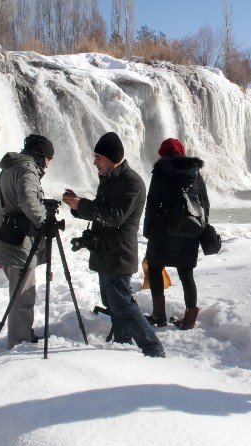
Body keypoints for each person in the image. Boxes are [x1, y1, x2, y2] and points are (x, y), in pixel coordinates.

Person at [62, 132, 165, 358]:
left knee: (123, 304)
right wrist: (77, 206)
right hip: (106, 252)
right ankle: (122, 342)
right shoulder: (111, 179)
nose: (94, 161)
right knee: (113, 302)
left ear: (112, 158)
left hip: (118, 254)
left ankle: (152, 347)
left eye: (98, 157)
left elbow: (114, 217)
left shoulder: (131, 182)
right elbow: (100, 212)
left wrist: (83, 205)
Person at [0, 134, 54, 349]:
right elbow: (28, 199)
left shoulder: (10, 168)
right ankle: (19, 342)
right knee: (23, 296)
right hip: (19, 243)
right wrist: (44, 220)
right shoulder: (27, 169)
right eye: (49, 159)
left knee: (18, 292)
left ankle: (23, 332)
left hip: (6, 239)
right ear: (41, 156)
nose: (48, 165)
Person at [142, 138, 210, 330]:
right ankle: (189, 321)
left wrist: (147, 229)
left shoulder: (160, 171)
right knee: (186, 274)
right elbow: (204, 202)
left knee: (155, 268)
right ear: (183, 152)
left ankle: (158, 315)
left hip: (163, 230)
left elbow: (153, 203)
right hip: (190, 228)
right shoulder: (195, 172)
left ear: (163, 154)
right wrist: (201, 226)